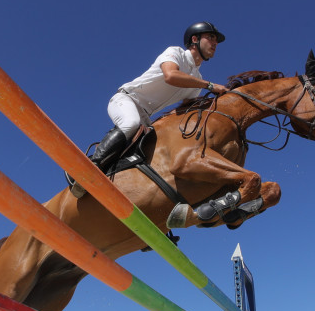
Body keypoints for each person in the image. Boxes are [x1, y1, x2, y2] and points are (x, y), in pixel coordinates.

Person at [73, 22, 230, 193]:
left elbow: (184, 110)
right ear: (195, 39)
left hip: (146, 118)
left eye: (216, 40)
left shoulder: (197, 81)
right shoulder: (175, 52)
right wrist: (210, 86)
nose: (215, 43)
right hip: (126, 100)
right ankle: (89, 168)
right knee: (130, 123)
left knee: (156, 150)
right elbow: (170, 75)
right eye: (211, 38)